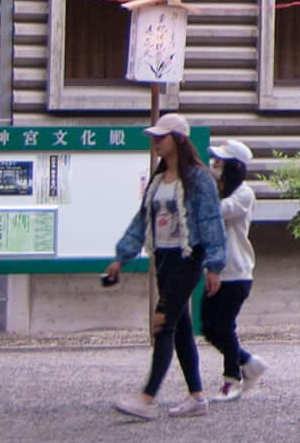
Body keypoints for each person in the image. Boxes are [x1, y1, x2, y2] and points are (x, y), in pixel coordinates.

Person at [104, 112, 227, 421]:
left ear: (179, 140)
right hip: (163, 257)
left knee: (162, 322)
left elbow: (212, 222)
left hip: (188, 256)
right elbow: (141, 220)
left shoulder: (199, 178)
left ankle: (147, 398)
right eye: (154, 138)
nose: (156, 143)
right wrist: (122, 257)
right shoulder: (158, 180)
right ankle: (197, 396)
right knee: (180, 326)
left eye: (162, 137)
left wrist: (214, 266)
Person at [202, 139, 267, 402]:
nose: (214, 165)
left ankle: (232, 380)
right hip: (216, 270)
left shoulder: (244, 194)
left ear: (234, 167)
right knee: (208, 327)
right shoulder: (219, 190)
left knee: (224, 326)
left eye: (219, 162)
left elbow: (218, 212)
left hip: (236, 272)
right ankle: (248, 362)